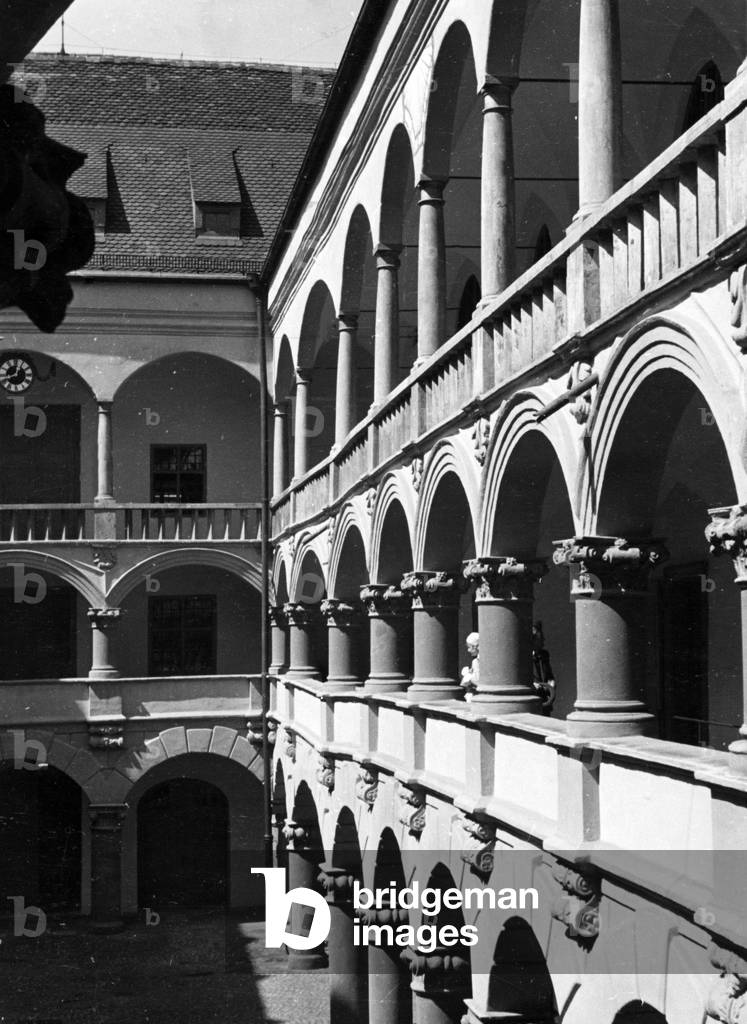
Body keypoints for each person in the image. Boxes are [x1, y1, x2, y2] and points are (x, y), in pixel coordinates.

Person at [532, 622, 556, 715]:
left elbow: (549, 675)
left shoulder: (544, 655)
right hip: (531, 702)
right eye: (541, 638)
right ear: (533, 640)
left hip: (545, 701)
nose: (543, 640)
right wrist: (532, 684)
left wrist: (552, 682)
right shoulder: (522, 657)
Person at [460, 632, 479, 701]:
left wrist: (468, 676)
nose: (468, 650)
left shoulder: (476, 661)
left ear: (475, 646)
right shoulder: (476, 660)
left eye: (469, 647)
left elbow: (477, 681)